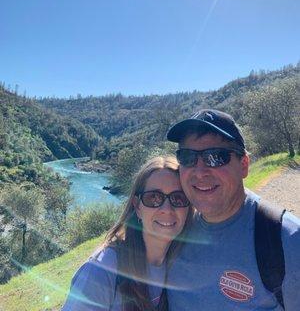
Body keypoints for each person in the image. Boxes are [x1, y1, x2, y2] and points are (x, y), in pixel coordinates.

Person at [166, 109, 300, 310]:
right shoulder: (172, 231)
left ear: (244, 165)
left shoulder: (287, 240)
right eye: (187, 157)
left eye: (216, 157)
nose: (200, 171)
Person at [62, 156, 193, 311]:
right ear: (137, 206)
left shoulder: (183, 264)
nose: (166, 209)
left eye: (178, 198)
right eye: (154, 198)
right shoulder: (103, 269)